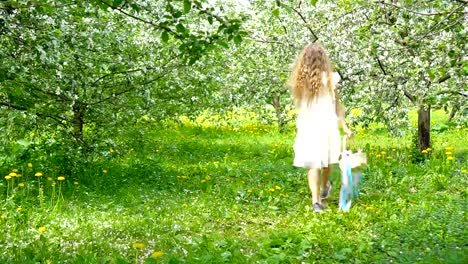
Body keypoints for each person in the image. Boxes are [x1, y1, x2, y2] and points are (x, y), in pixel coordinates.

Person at [287, 43, 352, 213]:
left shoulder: (299, 80)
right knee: (327, 161)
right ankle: (323, 188)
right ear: (324, 59)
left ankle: (317, 201)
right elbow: (338, 104)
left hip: (308, 126)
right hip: (327, 125)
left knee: (313, 163)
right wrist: (344, 125)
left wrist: (344, 125)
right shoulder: (331, 78)